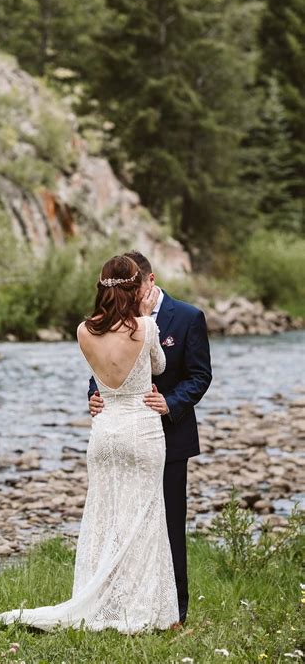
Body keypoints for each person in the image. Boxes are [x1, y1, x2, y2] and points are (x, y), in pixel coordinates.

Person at [0, 255, 180, 633]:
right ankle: (146, 611)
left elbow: (102, 375)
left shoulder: (84, 330)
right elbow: (158, 367)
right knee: (145, 517)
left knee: (103, 518)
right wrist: (147, 316)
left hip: (104, 430)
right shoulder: (146, 326)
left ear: (101, 288)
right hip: (141, 429)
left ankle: (102, 599)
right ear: (135, 288)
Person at [88, 250, 212, 624]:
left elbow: (199, 375)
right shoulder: (114, 319)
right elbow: (101, 366)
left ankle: (175, 609)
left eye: (136, 288)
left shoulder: (188, 317)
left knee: (170, 521)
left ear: (150, 281)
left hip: (170, 436)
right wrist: (93, 398)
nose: (131, 296)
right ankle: (120, 602)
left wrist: (168, 403)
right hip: (123, 434)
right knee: (120, 521)